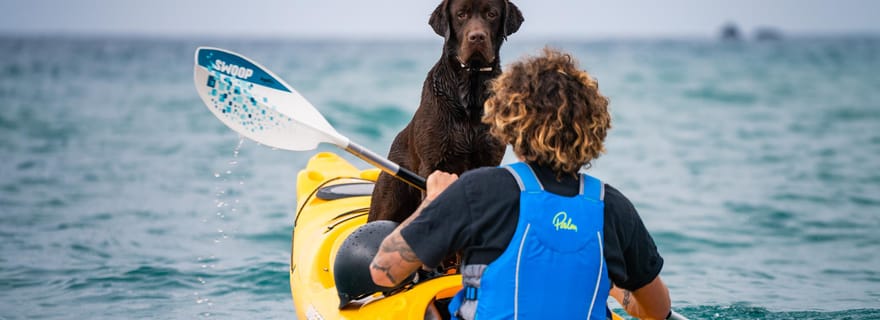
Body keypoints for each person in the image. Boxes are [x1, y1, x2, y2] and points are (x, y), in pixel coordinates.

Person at [369, 48, 671, 320]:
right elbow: (657, 311)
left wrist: (433, 201)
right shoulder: (614, 207)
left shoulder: (478, 191)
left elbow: (384, 271)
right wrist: (615, 286)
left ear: (510, 121)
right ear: (594, 129)